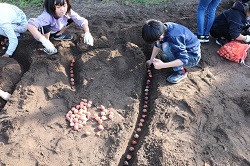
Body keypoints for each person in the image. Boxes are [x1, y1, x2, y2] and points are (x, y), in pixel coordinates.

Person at [142, 19, 201, 84]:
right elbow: (157, 45)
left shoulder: (174, 37)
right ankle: (171, 58)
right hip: (184, 49)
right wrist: (151, 59)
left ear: (161, 36)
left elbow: (184, 59)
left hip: (192, 57)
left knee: (166, 46)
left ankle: (181, 72)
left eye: (156, 40)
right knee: (163, 44)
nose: (156, 42)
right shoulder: (161, 29)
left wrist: (162, 65)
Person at [27, 0, 94, 55]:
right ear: (51, 7)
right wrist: (44, 41)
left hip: (56, 30)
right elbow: (30, 25)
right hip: (42, 34)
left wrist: (87, 32)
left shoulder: (68, 11)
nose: (62, 9)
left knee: (71, 18)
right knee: (45, 26)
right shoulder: (46, 16)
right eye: (58, 7)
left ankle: (58, 35)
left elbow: (81, 20)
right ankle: (47, 44)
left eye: (64, 5)